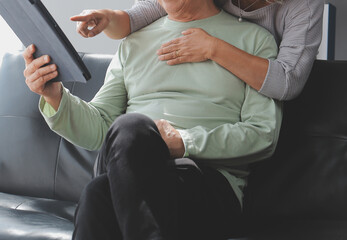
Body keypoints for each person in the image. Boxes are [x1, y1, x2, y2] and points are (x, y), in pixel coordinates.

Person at [23, 0, 282, 239]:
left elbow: (263, 134)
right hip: (133, 169)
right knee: (122, 145)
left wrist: (182, 142)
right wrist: (54, 95)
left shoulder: (254, 41)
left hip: (206, 183)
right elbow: (101, 128)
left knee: (97, 195)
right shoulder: (133, 42)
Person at [70, 0, 324, 101]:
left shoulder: (304, 6)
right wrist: (106, 18)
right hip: (199, 97)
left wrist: (213, 48)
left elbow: (287, 82)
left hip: (250, 104)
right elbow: (145, 14)